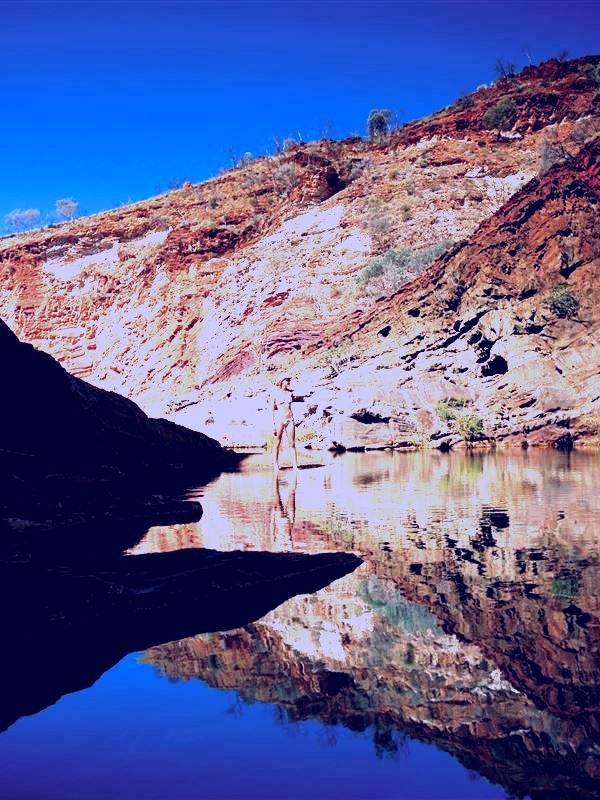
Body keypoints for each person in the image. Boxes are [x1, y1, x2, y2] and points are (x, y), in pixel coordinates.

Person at [271, 376, 298, 472]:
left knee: (292, 443)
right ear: (282, 381)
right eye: (287, 380)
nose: (289, 381)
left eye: (289, 380)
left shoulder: (290, 393)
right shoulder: (275, 393)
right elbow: (272, 410)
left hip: (290, 419)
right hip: (279, 420)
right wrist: (272, 424)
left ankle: (295, 465)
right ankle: (276, 464)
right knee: (277, 442)